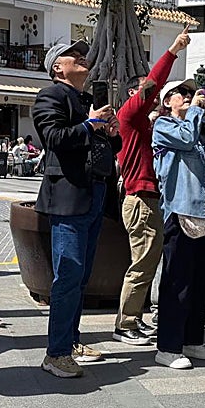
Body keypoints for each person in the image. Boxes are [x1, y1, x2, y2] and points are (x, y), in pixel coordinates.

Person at [32, 40, 121, 378]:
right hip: (69, 195)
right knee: (68, 273)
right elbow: (53, 137)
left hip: (93, 192)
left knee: (81, 275)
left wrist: (109, 133)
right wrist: (89, 124)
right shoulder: (51, 96)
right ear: (58, 67)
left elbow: (102, 146)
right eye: (75, 55)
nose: (83, 58)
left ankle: (70, 341)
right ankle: (55, 353)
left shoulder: (85, 101)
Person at [114, 30, 190, 345]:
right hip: (140, 199)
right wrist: (172, 50)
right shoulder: (130, 116)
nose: (154, 98)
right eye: (146, 93)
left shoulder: (147, 124)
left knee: (147, 260)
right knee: (143, 262)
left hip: (148, 199)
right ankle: (125, 324)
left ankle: (133, 319)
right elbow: (153, 84)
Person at [152, 79, 205, 369]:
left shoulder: (196, 127)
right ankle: (168, 346)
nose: (187, 96)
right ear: (166, 101)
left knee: (198, 281)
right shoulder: (163, 126)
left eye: (189, 92)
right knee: (177, 282)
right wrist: (195, 113)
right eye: (180, 93)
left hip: (200, 214)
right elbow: (183, 140)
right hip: (178, 212)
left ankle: (193, 339)